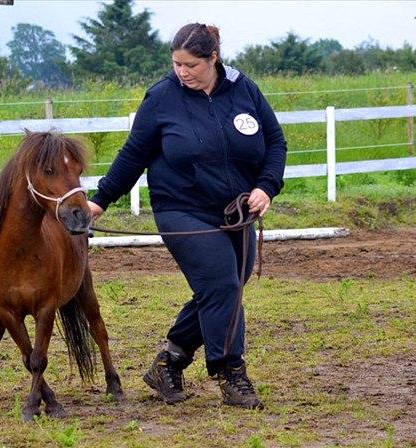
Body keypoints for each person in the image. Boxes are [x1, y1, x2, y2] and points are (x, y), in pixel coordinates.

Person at [87, 23, 286, 409]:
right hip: (181, 209)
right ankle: (231, 372)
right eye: (176, 64)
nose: (182, 72)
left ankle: (170, 361)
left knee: (228, 284)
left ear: (213, 58)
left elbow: (275, 141)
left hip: (236, 210)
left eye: (190, 64)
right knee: (222, 284)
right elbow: (133, 156)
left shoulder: (245, 90)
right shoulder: (162, 98)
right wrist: (100, 200)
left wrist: (266, 186)